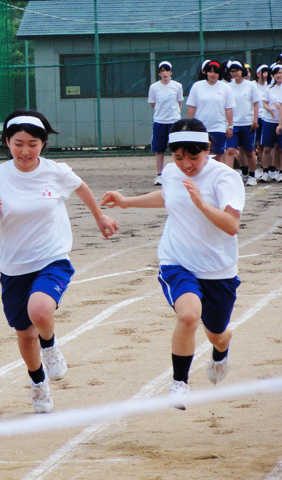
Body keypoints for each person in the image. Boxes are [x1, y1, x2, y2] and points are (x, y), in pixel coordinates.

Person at [0, 110, 119, 413]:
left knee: (40, 310)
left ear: (43, 143)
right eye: (18, 143)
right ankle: (38, 382)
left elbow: (81, 187)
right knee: (25, 335)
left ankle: (51, 346)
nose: (25, 150)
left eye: (32, 143)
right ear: (6, 142)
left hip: (52, 257)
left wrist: (99, 216)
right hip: (14, 266)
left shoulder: (55, 171)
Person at [102, 118, 244, 410]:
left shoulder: (225, 178)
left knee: (217, 334)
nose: (186, 164)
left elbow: (231, 225)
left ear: (208, 148)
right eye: (178, 157)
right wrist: (127, 202)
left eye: (193, 156)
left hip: (218, 269)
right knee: (190, 315)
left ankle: (222, 348)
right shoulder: (170, 172)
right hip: (177, 261)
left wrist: (202, 204)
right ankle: (180, 383)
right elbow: (167, 197)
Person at [187, 60, 236, 164]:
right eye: (210, 71)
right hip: (200, 128)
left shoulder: (226, 87)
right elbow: (192, 107)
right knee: (201, 155)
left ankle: (218, 179)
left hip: (219, 127)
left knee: (218, 157)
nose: (213, 74)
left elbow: (229, 108)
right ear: (205, 72)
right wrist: (188, 126)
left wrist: (230, 126)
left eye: (216, 72)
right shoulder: (197, 86)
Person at [224, 61, 260, 185]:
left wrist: (255, 120)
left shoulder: (250, 86)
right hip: (233, 124)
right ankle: (234, 175)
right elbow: (226, 106)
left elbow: (256, 104)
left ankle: (252, 175)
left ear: (242, 71)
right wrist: (227, 123)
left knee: (249, 151)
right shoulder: (228, 86)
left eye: (237, 71)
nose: (234, 73)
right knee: (231, 150)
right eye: (232, 71)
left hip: (248, 123)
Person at [148, 61, 183, 185]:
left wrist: (175, 115)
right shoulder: (154, 87)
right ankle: (160, 175)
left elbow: (179, 102)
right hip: (159, 121)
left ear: (171, 72)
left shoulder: (177, 86)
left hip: (174, 122)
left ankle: (177, 174)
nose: (165, 73)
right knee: (159, 150)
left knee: (176, 149)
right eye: (162, 71)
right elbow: (153, 103)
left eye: (167, 70)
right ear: (159, 73)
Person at [259, 64, 282, 182]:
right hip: (269, 121)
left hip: (281, 122)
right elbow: (264, 103)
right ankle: (265, 171)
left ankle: (278, 171)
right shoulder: (269, 88)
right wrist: (270, 109)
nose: (279, 75)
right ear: (273, 75)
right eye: (277, 73)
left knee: (279, 148)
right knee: (267, 148)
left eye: (281, 72)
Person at [252, 64, 270, 178]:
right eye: (263, 72)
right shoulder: (253, 85)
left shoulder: (269, 86)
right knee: (255, 143)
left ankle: (264, 169)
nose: (266, 75)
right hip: (256, 116)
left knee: (264, 144)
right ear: (258, 74)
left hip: (266, 117)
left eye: (267, 72)